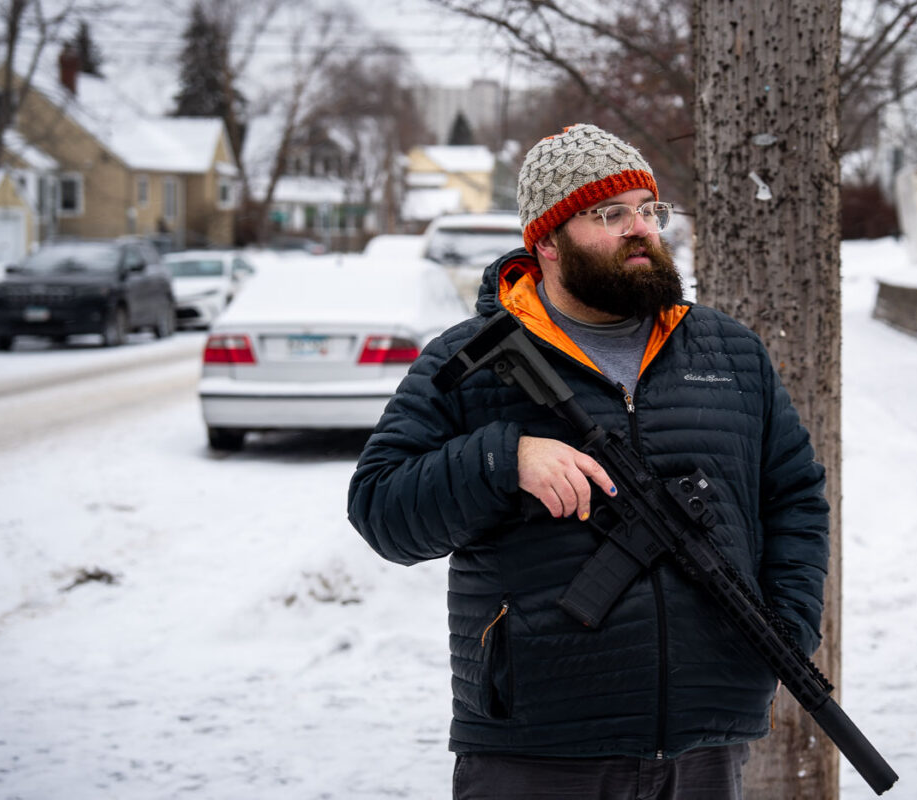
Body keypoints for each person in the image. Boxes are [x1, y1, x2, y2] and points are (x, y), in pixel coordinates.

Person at [347, 123, 830, 800]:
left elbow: (795, 499)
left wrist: (785, 629)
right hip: (537, 748)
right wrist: (502, 459)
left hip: (705, 744)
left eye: (647, 209)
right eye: (610, 214)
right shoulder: (470, 359)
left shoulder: (729, 353)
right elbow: (380, 508)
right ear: (546, 240)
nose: (641, 229)